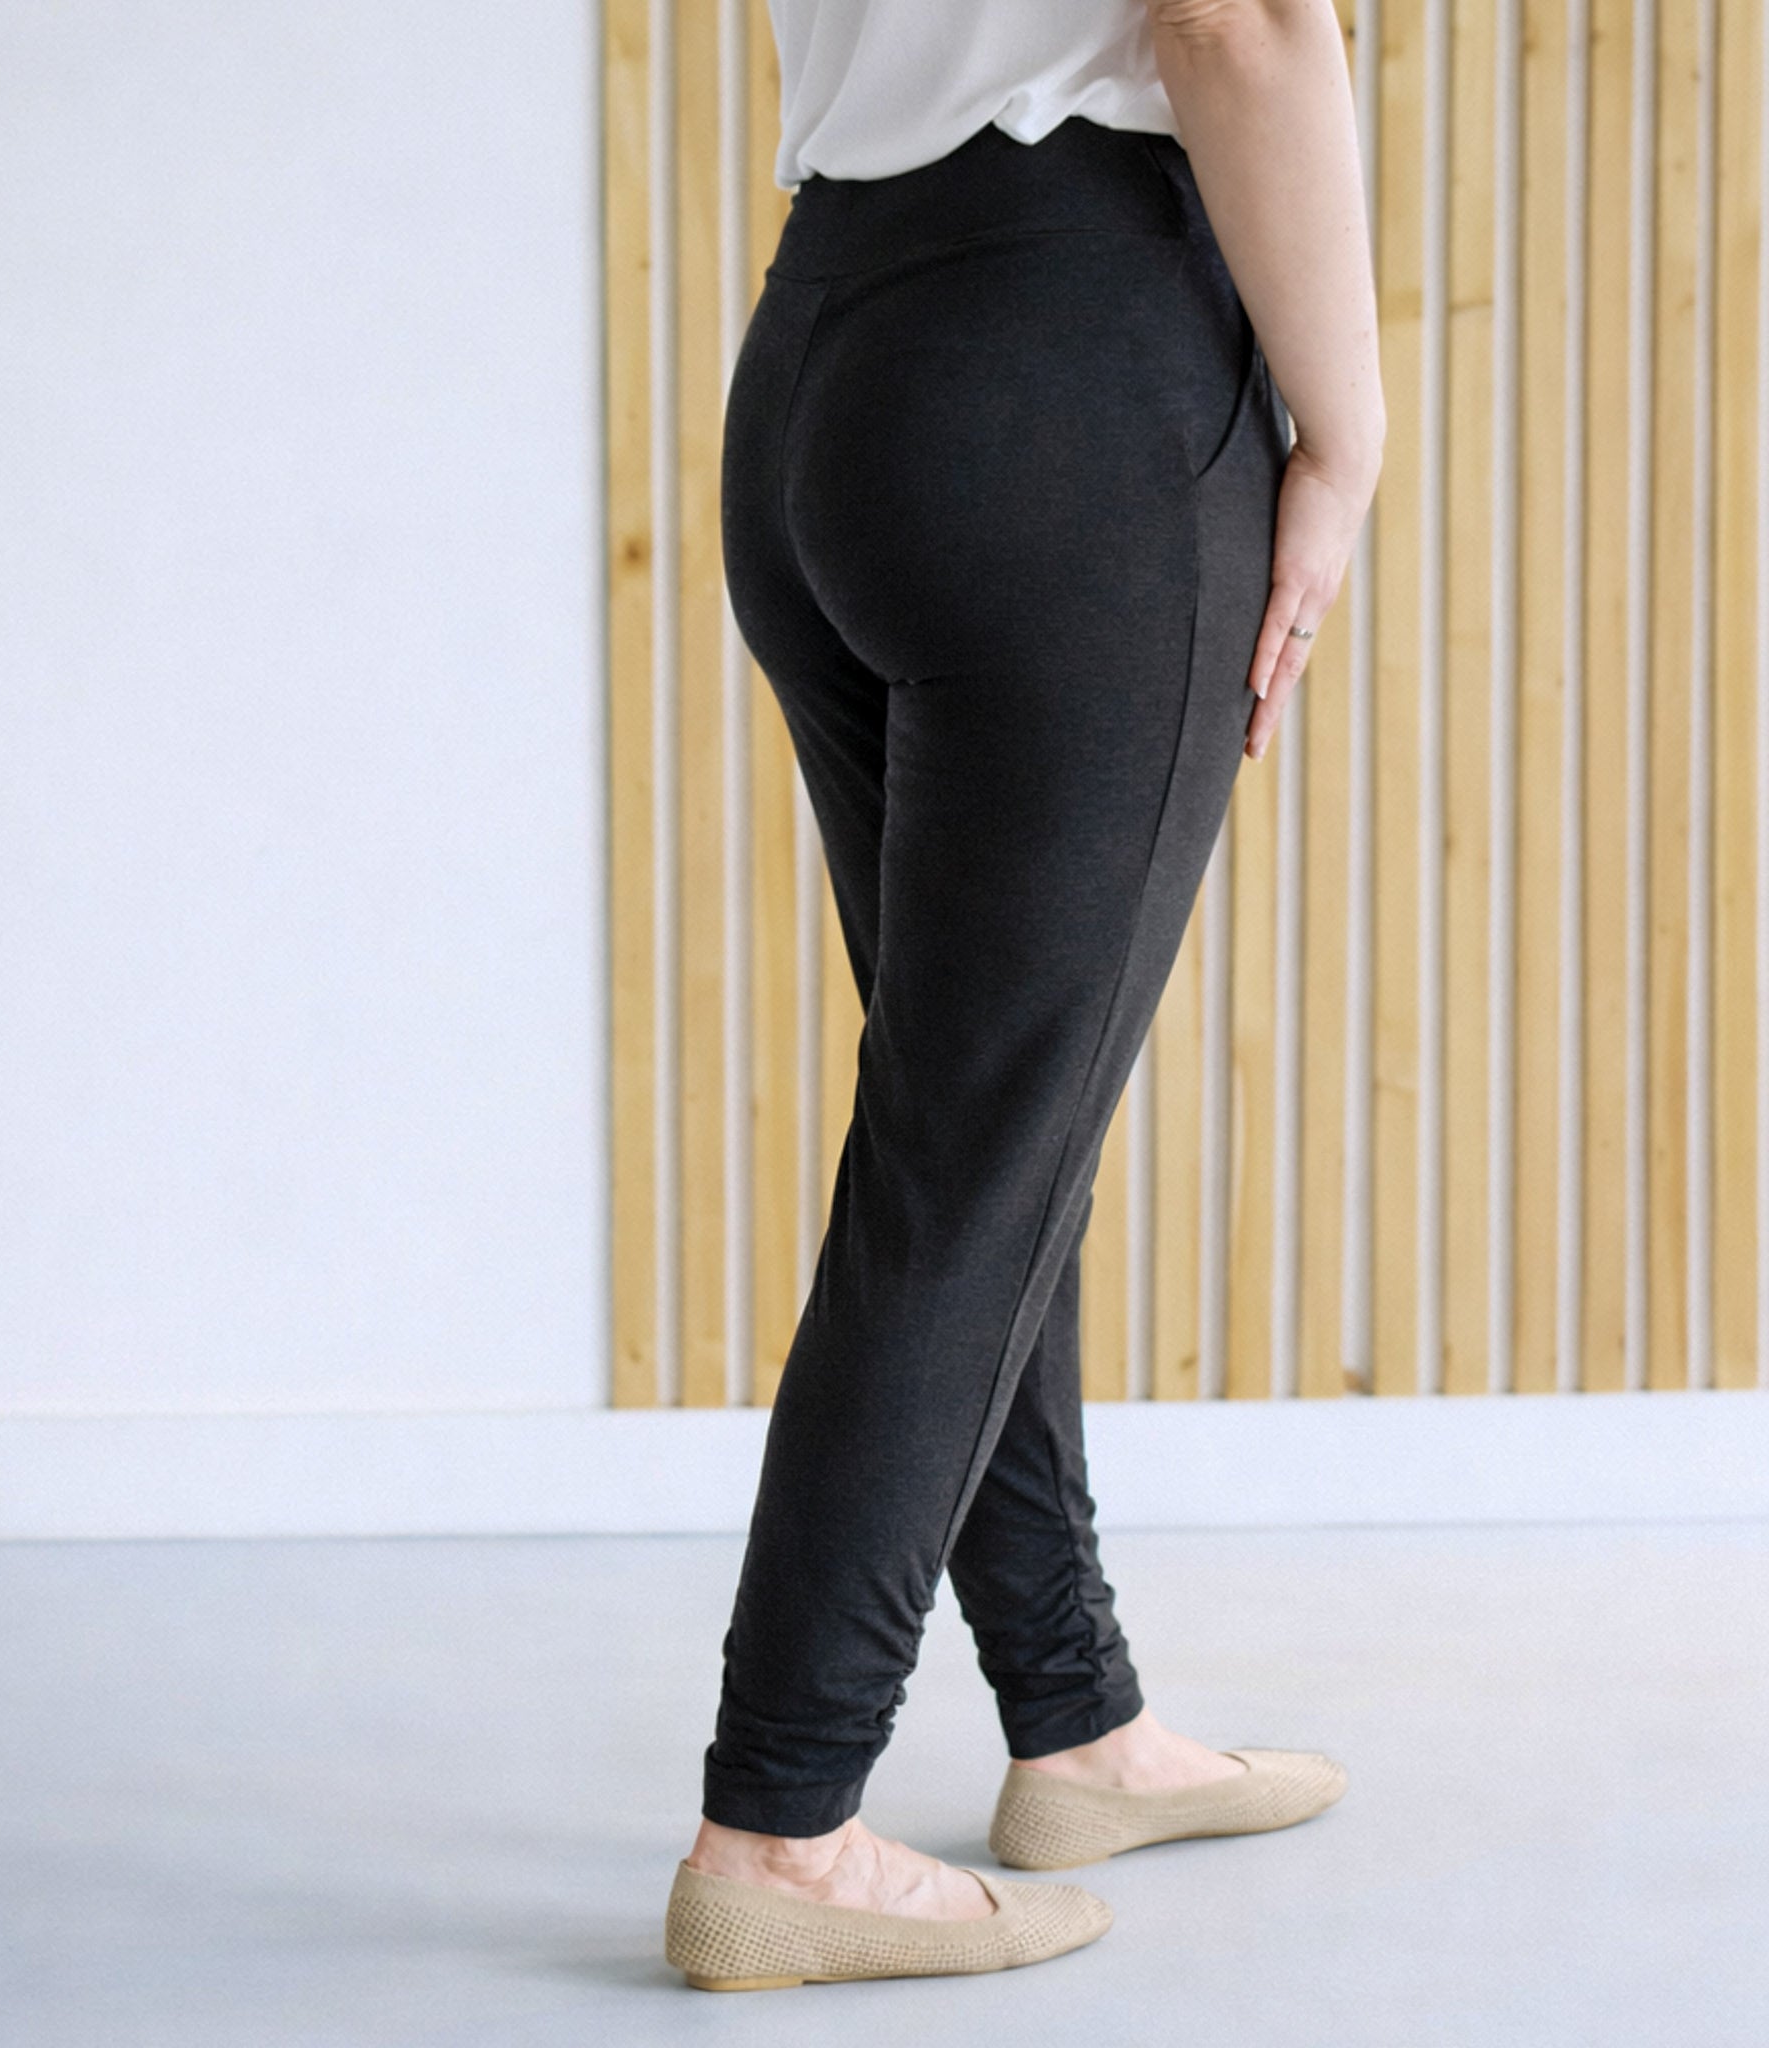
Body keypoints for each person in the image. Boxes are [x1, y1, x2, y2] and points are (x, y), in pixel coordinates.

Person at [663, 0, 1384, 1992]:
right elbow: (1236, 21)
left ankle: (1076, 1721)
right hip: (1071, 369)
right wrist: (1344, 430)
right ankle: (779, 1823)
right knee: (975, 1152)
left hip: (826, 360)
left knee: (980, 1126)